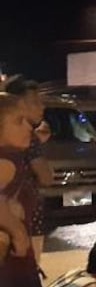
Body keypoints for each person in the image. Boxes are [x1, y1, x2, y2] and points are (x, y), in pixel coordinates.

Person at [0, 92, 39, 287]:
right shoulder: (6, 160)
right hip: (11, 282)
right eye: (18, 121)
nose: (28, 127)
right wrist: (18, 232)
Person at [3, 77, 51, 261]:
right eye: (35, 102)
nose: (42, 107)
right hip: (25, 228)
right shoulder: (24, 142)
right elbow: (46, 177)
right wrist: (18, 233)